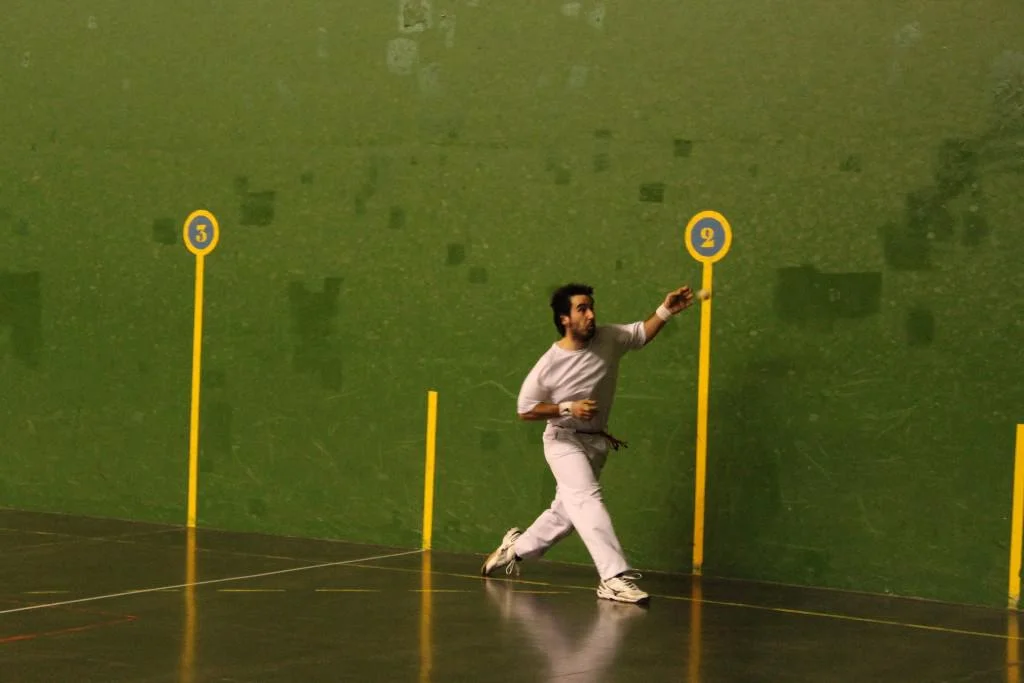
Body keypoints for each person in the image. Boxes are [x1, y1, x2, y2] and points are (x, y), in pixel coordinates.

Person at [480, 282, 698, 604]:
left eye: (591, 307)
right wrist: (568, 408)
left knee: (565, 516)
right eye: (582, 309)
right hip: (563, 440)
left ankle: (515, 548)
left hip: (596, 442)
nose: (591, 314)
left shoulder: (609, 338)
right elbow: (525, 409)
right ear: (565, 319)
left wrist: (666, 310)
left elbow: (640, 334)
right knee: (587, 499)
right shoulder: (549, 364)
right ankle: (613, 577)